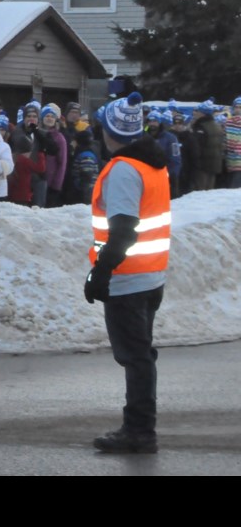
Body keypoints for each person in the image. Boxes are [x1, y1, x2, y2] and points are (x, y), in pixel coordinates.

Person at [85, 92, 169, 454]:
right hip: (151, 276)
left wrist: (101, 273)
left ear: (110, 131)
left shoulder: (123, 170)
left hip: (129, 279)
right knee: (140, 356)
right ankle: (139, 426)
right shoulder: (153, 162)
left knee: (135, 358)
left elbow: (123, 230)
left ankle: (139, 431)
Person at [146, 111, 182, 200]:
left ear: (159, 122)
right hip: (146, 176)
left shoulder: (170, 138)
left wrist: (172, 175)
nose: (152, 124)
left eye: (155, 121)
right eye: (150, 121)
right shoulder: (143, 136)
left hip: (165, 175)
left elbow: (175, 157)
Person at [191, 98, 224, 191]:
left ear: (203, 113)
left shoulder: (201, 126)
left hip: (203, 165)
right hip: (214, 164)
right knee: (209, 192)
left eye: (198, 111)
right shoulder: (217, 126)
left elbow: (197, 146)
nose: (195, 113)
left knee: (200, 192)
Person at [7, 135, 46, 207]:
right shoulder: (24, 161)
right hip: (23, 195)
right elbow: (40, 169)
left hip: (12, 193)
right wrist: (41, 154)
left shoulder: (12, 157)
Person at [41, 105, 68, 208]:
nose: (49, 118)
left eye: (52, 116)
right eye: (47, 116)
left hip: (51, 182)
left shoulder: (59, 138)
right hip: (37, 180)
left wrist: (57, 184)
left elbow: (62, 163)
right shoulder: (38, 133)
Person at [71, 130, 100, 205]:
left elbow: (87, 175)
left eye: (74, 140)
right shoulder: (84, 152)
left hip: (87, 192)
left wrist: (82, 190)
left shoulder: (86, 155)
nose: (72, 143)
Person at [225, 97, 241, 189]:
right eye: (236, 107)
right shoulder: (227, 122)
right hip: (230, 159)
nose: (238, 109)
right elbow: (224, 139)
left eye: (240, 107)